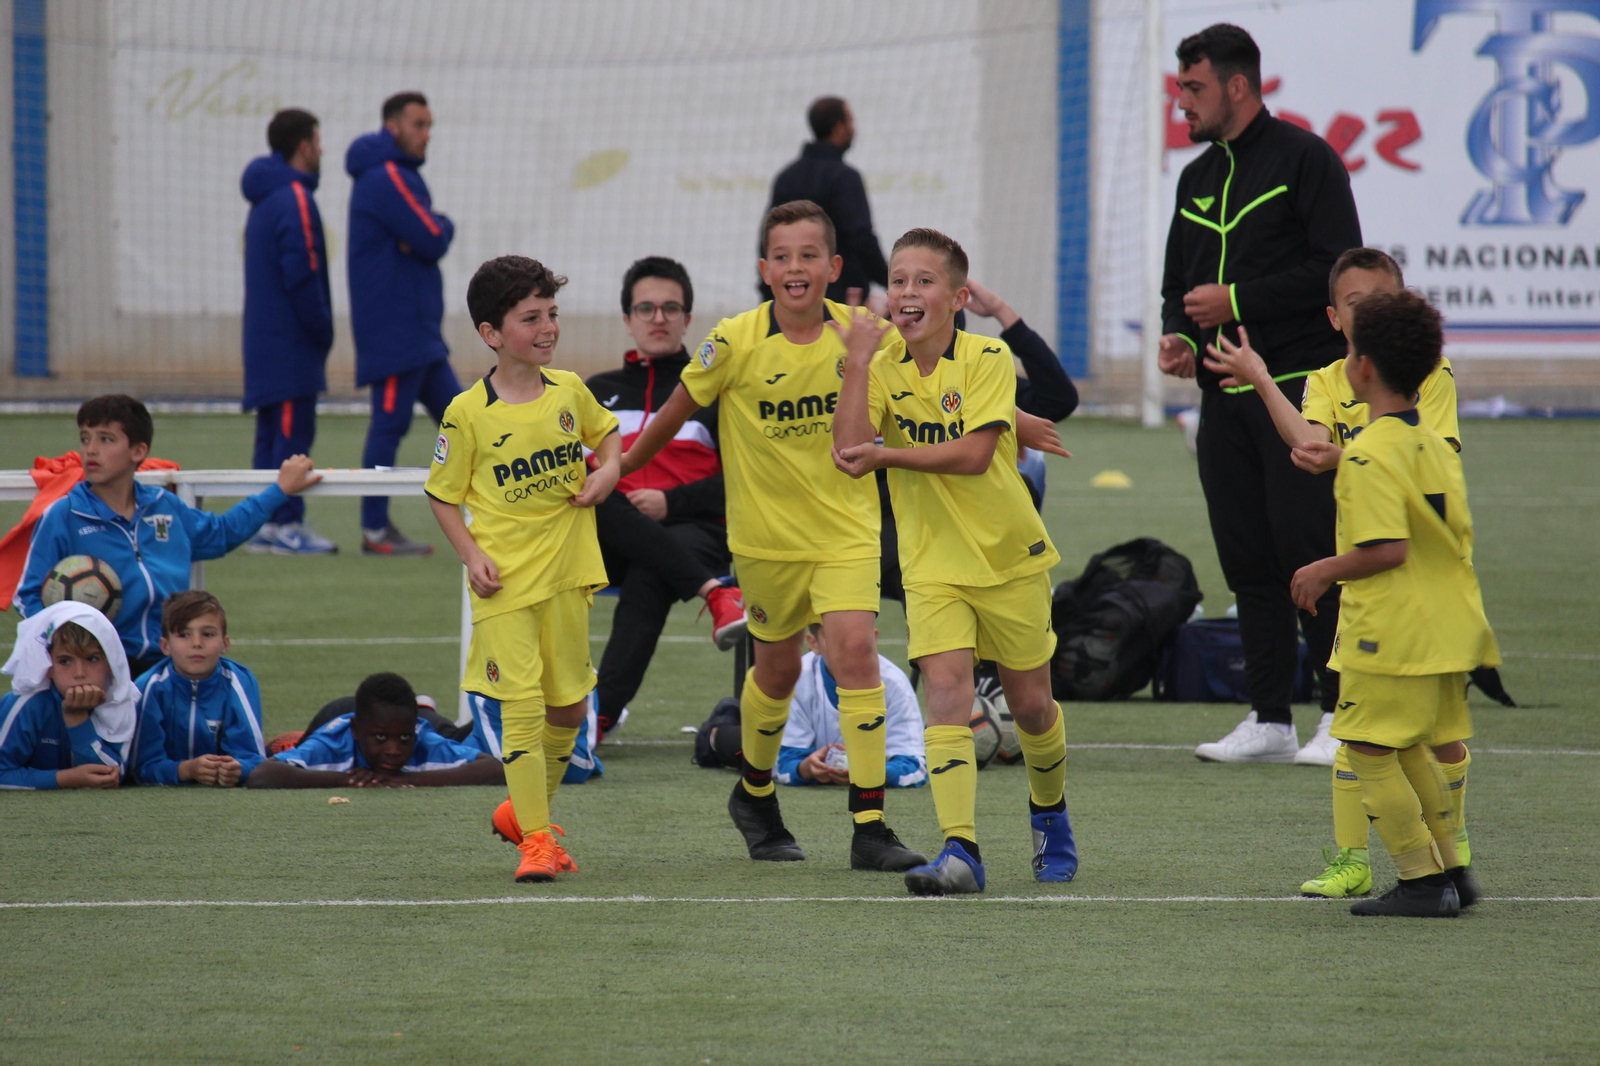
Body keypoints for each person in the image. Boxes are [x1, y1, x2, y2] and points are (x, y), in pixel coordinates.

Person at [622, 200, 924, 874]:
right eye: (782, 256)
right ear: (764, 268)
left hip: (845, 532)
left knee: (855, 651)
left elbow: (918, 397)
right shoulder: (733, 341)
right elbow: (673, 413)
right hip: (764, 544)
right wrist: (617, 467)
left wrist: (1005, 422)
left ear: (833, 266)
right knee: (778, 671)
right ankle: (755, 795)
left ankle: (870, 826)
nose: (795, 268)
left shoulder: (864, 334)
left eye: (809, 255)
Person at [1202, 248, 1475, 899]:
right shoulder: (1331, 380)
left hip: (1411, 590)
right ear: (1334, 317)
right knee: (1363, 730)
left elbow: (1416, 459)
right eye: (1356, 304)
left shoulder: (1424, 384)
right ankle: (1369, 861)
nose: (1368, 314)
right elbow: (1308, 444)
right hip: (1386, 594)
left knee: (1418, 739)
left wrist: (1340, 485)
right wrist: (1264, 379)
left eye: (1381, 301)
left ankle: (1438, 863)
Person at [832, 227, 1078, 895]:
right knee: (945, 694)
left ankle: (1050, 813)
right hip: (932, 565)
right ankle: (960, 851)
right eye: (899, 280)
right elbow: (848, 453)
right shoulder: (880, 366)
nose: (907, 292)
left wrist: (890, 455)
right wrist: (856, 364)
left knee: (1031, 708)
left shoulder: (987, 357)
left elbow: (972, 458)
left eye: (924, 281)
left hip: (1009, 558)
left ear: (958, 296)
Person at [1158, 24, 1362, 763]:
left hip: (1300, 392)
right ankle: (1270, 718)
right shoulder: (1195, 178)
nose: (1182, 102)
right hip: (1225, 399)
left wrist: (1235, 298)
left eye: (1193, 88)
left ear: (1237, 87)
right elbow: (1177, 286)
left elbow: (1336, 271)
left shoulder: (1308, 161)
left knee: (1307, 548)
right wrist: (1178, 332)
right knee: (1246, 557)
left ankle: (1342, 712)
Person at [1288, 290, 1496, 917]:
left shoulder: (1371, 452)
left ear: (1362, 368)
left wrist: (1323, 570)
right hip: (1449, 622)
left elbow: (1386, 549)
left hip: (1393, 627)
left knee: (1366, 748)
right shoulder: (1433, 444)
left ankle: (1421, 881)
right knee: (1411, 746)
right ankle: (1454, 868)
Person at [425, 255, 621, 883]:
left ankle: (523, 813)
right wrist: (472, 554)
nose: (547, 328)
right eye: (531, 317)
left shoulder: (569, 391)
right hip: (505, 585)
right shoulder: (468, 412)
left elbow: (608, 437)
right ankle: (536, 841)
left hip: (568, 575)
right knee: (524, 710)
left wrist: (608, 472)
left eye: (552, 314)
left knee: (569, 711)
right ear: (491, 333)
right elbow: (441, 493)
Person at [15, 395, 320, 676]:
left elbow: (222, 533)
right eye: (85, 439)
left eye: (106, 439)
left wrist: (279, 491)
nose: (91, 450)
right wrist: (64, 647)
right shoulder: (64, 516)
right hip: (100, 670)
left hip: (169, 668)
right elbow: (27, 595)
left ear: (138, 451)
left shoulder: (165, 506)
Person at [584, 256, 746, 739]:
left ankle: (597, 719)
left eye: (670, 308)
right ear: (627, 319)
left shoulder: (716, 393)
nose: (658, 318)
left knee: (649, 572)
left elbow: (744, 482)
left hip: (692, 531)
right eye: (646, 308)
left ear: (687, 320)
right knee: (595, 489)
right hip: (608, 537)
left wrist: (669, 502)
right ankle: (717, 595)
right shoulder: (596, 393)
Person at [346, 90, 457, 557]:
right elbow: (433, 236)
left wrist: (427, 233)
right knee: (389, 427)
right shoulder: (386, 178)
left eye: (430, 125)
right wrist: (442, 224)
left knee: (465, 419)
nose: (427, 135)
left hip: (418, 333)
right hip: (396, 334)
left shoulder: (398, 175)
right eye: (419, 125)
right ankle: (374, 531)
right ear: (393, 127)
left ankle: (507, 512)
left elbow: (423, 239)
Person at [240, 107, 337, 556]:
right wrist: (322, 328)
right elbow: (304, 271)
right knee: (291, 434)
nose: (320, 150)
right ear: (303, 146)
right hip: (289, 342)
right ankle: (286, 524)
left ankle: (264, 523)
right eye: (317, 142)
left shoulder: (265, 197)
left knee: (271, 433)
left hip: (265, 340)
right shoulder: (294, 197)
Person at [248, 672, 499, 788]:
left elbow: (496, 770)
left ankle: (423, 709)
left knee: (447, 734)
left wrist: (407, 780)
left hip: (414, 717)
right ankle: (295, 742)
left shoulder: (422, 737)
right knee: (295, 749)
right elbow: (262, 775)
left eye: (404, 738)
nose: (393, 750)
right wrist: (348, 780)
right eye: (381, 739)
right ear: (356, 730)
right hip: (337, 713)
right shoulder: (334, 742)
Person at [129, 591, 267, 787]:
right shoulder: (149, 687)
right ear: (165, 646)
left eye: (208, 634)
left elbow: (254, 758)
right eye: (184, 635)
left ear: (225, 643)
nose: (196, 643)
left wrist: (238, 769)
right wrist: (186, 770)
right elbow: (140, 768)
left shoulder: (240, 682)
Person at [0, 602, 139, 789]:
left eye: (92, 659)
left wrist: (77, 720)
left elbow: (109, 774)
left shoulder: (123, 699)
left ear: (110, 663)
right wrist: (65, 778)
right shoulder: (25, 705)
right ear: (48, 667)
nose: (79, 673)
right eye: (65, 661)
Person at [766, 98, 888, 306]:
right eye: (851, 122)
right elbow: (861, 239)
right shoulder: (844, 178)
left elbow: (767, 236)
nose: (854, 129)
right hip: (842, 301)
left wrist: (767, 290)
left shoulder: (786, 177)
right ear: (839, 128)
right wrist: (891, 281)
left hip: (791, 300)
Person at [775, 624, 926, 789]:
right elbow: (783, 762)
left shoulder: (894, 683)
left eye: (855, 637)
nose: (847, 646)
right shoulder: (798, 679)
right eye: (832, 637)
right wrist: (805, 768)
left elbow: (914, 765)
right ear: (814, 644)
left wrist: (877, 773)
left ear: (873, 639)